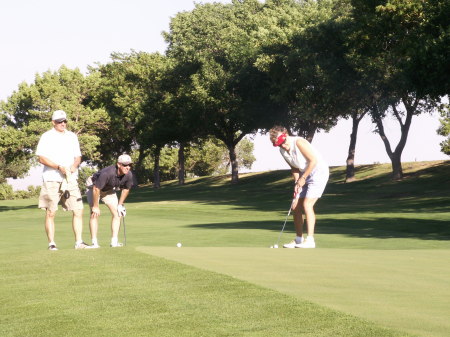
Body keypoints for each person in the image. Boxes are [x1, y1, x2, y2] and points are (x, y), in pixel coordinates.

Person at [36, 110, 89, 250]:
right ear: (53, 122)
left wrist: (73, 166)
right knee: (51, 211)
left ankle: (79, 242)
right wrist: (58, 167)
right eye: (60, 121)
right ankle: (52, 244)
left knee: (78, 210)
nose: (63, 124)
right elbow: (41, 158)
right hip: (52, 178)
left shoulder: (72, 136)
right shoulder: (46, 136)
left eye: (64, 121)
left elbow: (78, 157)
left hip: (70, 178)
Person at [269, 126, 329, 248]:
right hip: (303, 174)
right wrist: (297, 181)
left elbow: (313, 161)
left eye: (282, 143)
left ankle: (310, 240)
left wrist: (303, 178)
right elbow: (294, 167)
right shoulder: (282, 150)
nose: (283, 147)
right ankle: (298, 239)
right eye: (278, 145)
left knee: (307, 204)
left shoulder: (299, 142)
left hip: (318, 172)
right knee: (295, 206)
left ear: (285, 136)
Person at [86, 154, 134, 248]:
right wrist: (95, 206)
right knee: (94, 213)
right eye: (125, 165)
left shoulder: (128, 174)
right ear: (119, 164)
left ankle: (114, 242)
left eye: (129, 165)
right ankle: (94, 243)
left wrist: (120, 204)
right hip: (93, 187)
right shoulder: (107, 173)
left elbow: (126, 189)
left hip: (108, 189)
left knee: (117, 213)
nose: (127, 167)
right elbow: (96, 189)